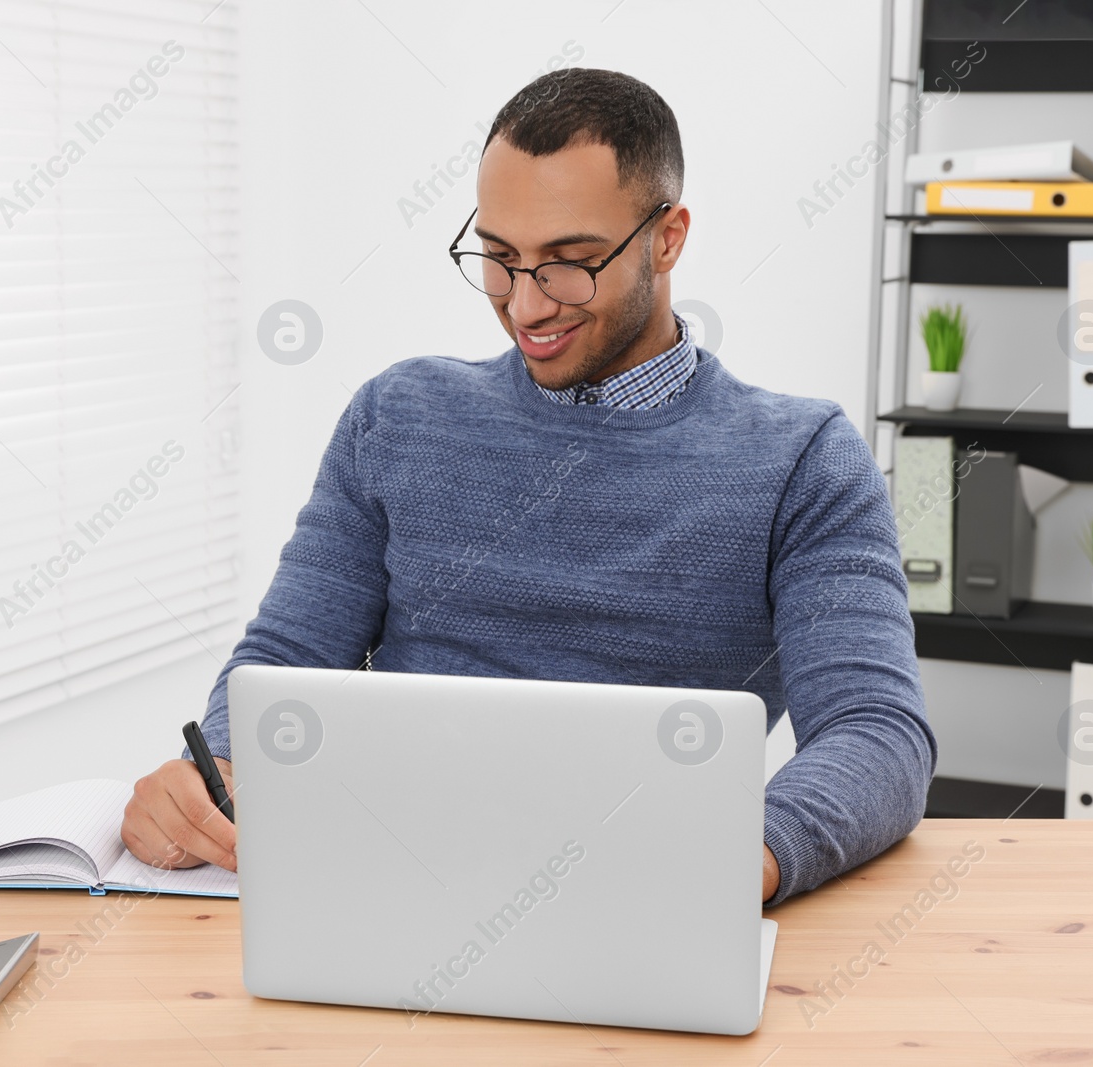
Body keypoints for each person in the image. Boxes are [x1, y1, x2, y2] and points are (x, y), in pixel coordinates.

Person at [121, 67, 936, 905]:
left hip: (643, 902)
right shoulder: (398, 417)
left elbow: (876, 732)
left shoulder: (803, 460)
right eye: (500, 259)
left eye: (569, 263)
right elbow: (285, 662)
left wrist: (745, 856)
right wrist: (215, 770)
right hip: (394, 889)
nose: (524, 305)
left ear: (668, 238)